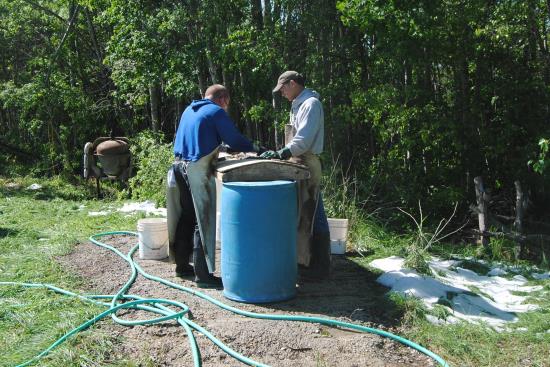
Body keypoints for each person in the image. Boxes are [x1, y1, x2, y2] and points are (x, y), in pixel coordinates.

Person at [167, 84, 258, 287]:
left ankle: (182, 266)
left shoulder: (190, 109)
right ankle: (203, 276)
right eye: (227, 102)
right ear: (223, 99)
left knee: (187, 215)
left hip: (177, 167)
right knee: (204, 219)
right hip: (196, 169)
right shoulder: (216, 111)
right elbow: (234, 138)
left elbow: (202, 136)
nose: (226, 106)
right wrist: (256, 148)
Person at [261, 71, 331, 279]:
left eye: (283, 88)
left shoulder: (311, 104)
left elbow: (304, 140)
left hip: (307, 162)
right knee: (304, 214)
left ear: (292, 84)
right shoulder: (298, 104)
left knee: (313, 213)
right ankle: (306, 261)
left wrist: (282, 153)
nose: (281, 92)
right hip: (297, 162)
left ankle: (320, 266)